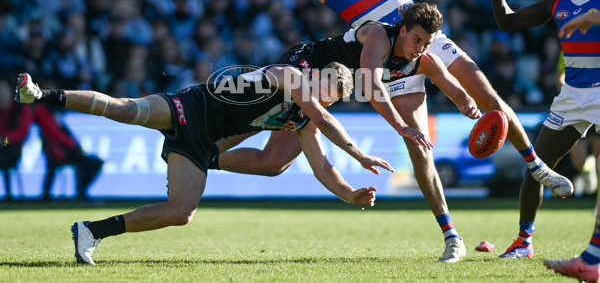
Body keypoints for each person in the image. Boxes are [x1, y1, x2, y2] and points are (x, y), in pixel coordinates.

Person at [189, 0, 572, 262]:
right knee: (406, 148)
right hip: (382, 56)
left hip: (420, 34)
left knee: (484, 92)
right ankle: (452, 237)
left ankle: (536, 166)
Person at [14, 59, 391, 265]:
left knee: (181, 212)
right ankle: (40, 93)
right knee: (124, 109)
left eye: (333, 100)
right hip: (189, 107)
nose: (327, 102)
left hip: (201, 142)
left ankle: (91, 232)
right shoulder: (291, 75)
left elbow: (323, 167)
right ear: (320, 77)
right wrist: (360, 153)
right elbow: (323, 120)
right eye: (330, 92)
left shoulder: (306, 118)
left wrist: (350, 195)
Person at [482, 0, 600, 260]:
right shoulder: (556, 2)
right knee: (536, 168)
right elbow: (507, 21)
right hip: (572, 96)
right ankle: (524, 242)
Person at [542, 10, 600, 281]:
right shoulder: (569, 50)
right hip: (577, 103)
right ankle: (590, 260)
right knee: (579, 160)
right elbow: (560, 76)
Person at [0, 76, 33, 200]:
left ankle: (9, 196)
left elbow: (22, 132)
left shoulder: (20, 108)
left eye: (2, 91)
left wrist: (5, 140)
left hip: (12, 149)